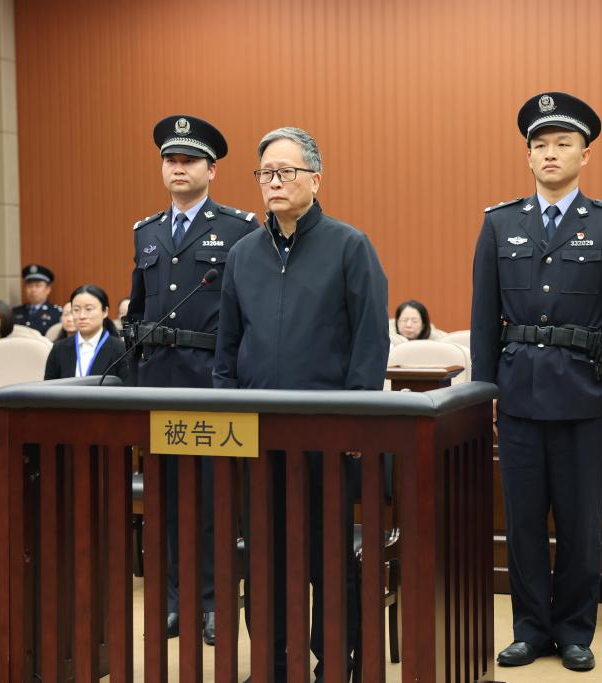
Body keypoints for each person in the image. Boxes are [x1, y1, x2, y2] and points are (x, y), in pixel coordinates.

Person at [470, 92, 602, 672]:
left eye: (563, 144)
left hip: (584, 397)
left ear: (584, 154)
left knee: (578, 523)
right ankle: (529, 629)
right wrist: (485, 391)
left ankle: (574, 630)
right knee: (522, 523)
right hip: (517, 396)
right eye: (540, 145)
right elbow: (483, 318)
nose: (550, 153)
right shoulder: (499, 223)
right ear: (528, 156)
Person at [214, 126, 389, 681]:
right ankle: (273, 662)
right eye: (265, 173)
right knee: (264, 558)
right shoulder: (243, 255)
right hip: (258, 437)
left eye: (286, 172)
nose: (274, 182)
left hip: (327, 436)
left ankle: (333, 662)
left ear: (315, 179)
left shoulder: (349, 246)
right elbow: (226, 350)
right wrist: (227, 417)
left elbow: (370, 342)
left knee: (327, 558)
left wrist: (358, 423)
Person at [126, 114, 258, 644]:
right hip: (158, 380)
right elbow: (137, 311)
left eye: (189, 160)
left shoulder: (239, 228)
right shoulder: (147, 232)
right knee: (165, 498)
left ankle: (213, 601)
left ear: (212, 169)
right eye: (170, 160)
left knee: (213, 499)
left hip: (211, 380)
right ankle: (173, 600)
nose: (177, 168)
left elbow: (250, 313)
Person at [44, 284, 128, 382]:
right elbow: (48, 387)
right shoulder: (59, 348)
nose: (82, 316)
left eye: (89, 309)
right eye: (76, 310)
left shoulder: (121, 349)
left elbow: (128, 387)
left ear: (105, 312)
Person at [12, 263, 62, 334]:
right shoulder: (16, 312)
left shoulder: (56, 313)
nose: (33, 290)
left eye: (38, 286)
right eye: (30, 286)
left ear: (48, 289)